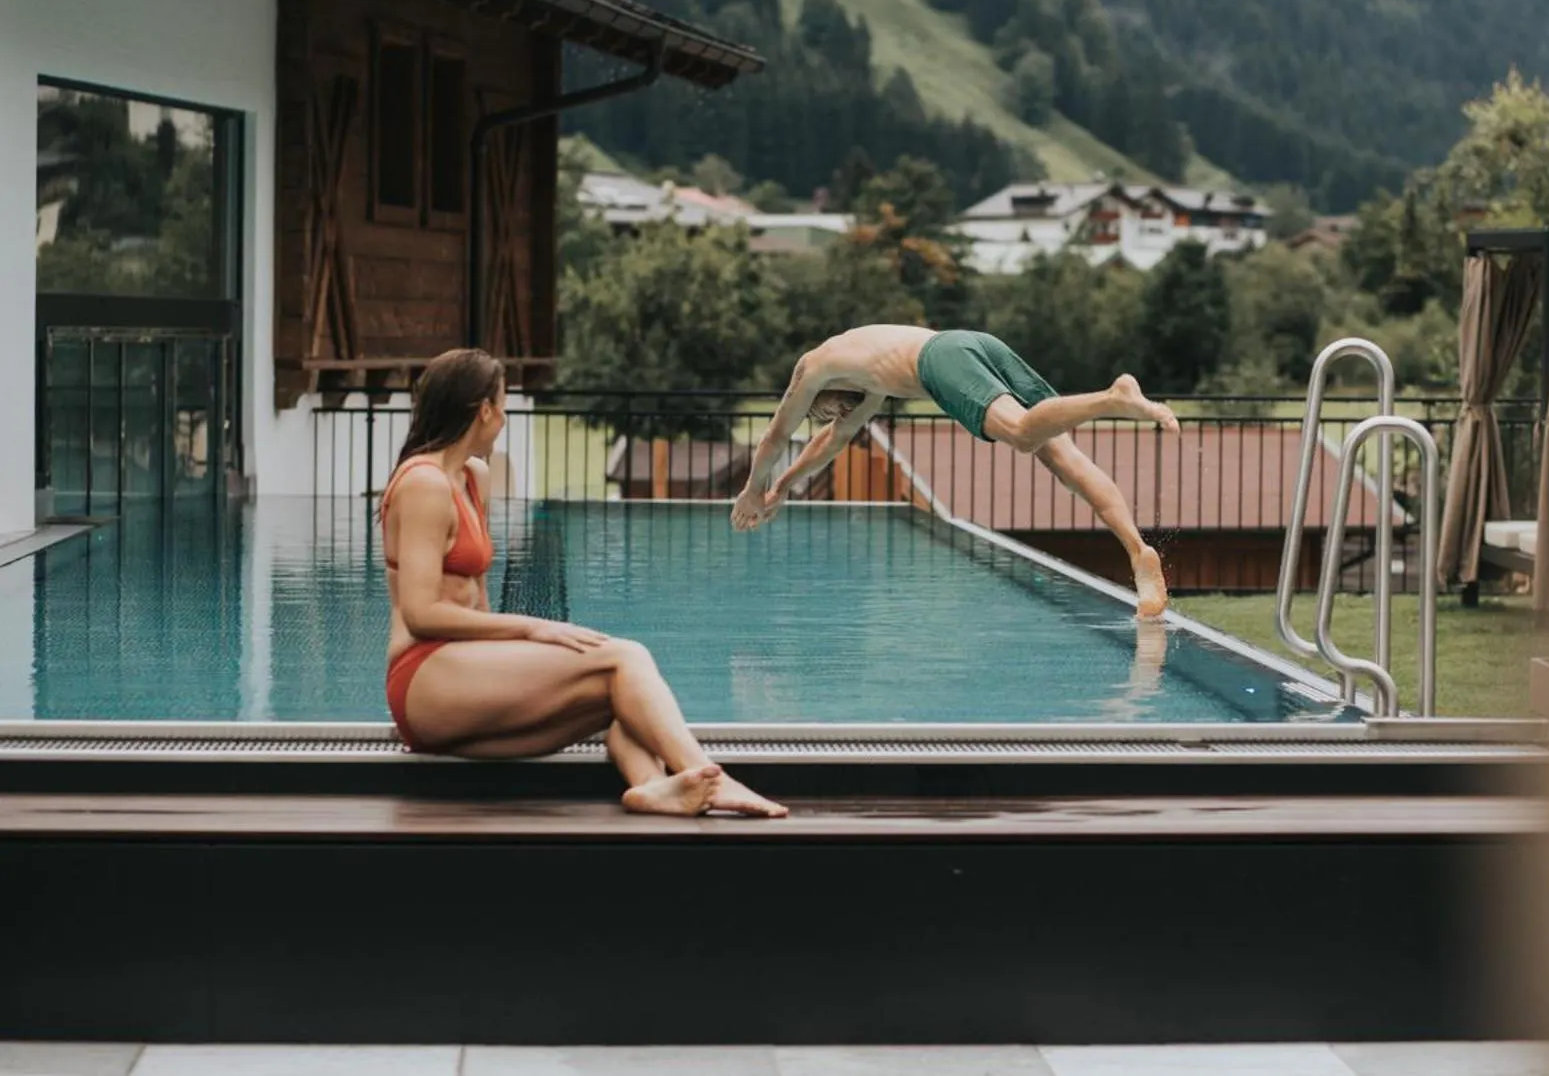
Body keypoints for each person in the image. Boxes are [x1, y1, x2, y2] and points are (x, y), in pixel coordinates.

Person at [382, 348, 786, 818]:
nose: (505, 420)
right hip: (424, 680)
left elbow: (476, 598)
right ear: (484, 410)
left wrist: (510, 655)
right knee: (624, 656)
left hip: (465, 676)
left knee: (624, 694)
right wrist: (532, 630)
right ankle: (715, 779)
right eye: (504, 407)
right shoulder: (423, 484)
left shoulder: (474, 477)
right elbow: (420, 613)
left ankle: (654, 787)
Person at [730, 325, 1180, 616]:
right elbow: (834, 440)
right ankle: (1138, 552)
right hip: (975, 342)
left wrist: (754, 489)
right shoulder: (865, 379)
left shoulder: (815, 367)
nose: (832, 416)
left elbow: (775, 435)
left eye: (824, 412)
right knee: (1064, 460)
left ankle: (1113, 398)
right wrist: (784, 487)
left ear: (821, 398)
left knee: (1023, 433)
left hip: (942, 360)